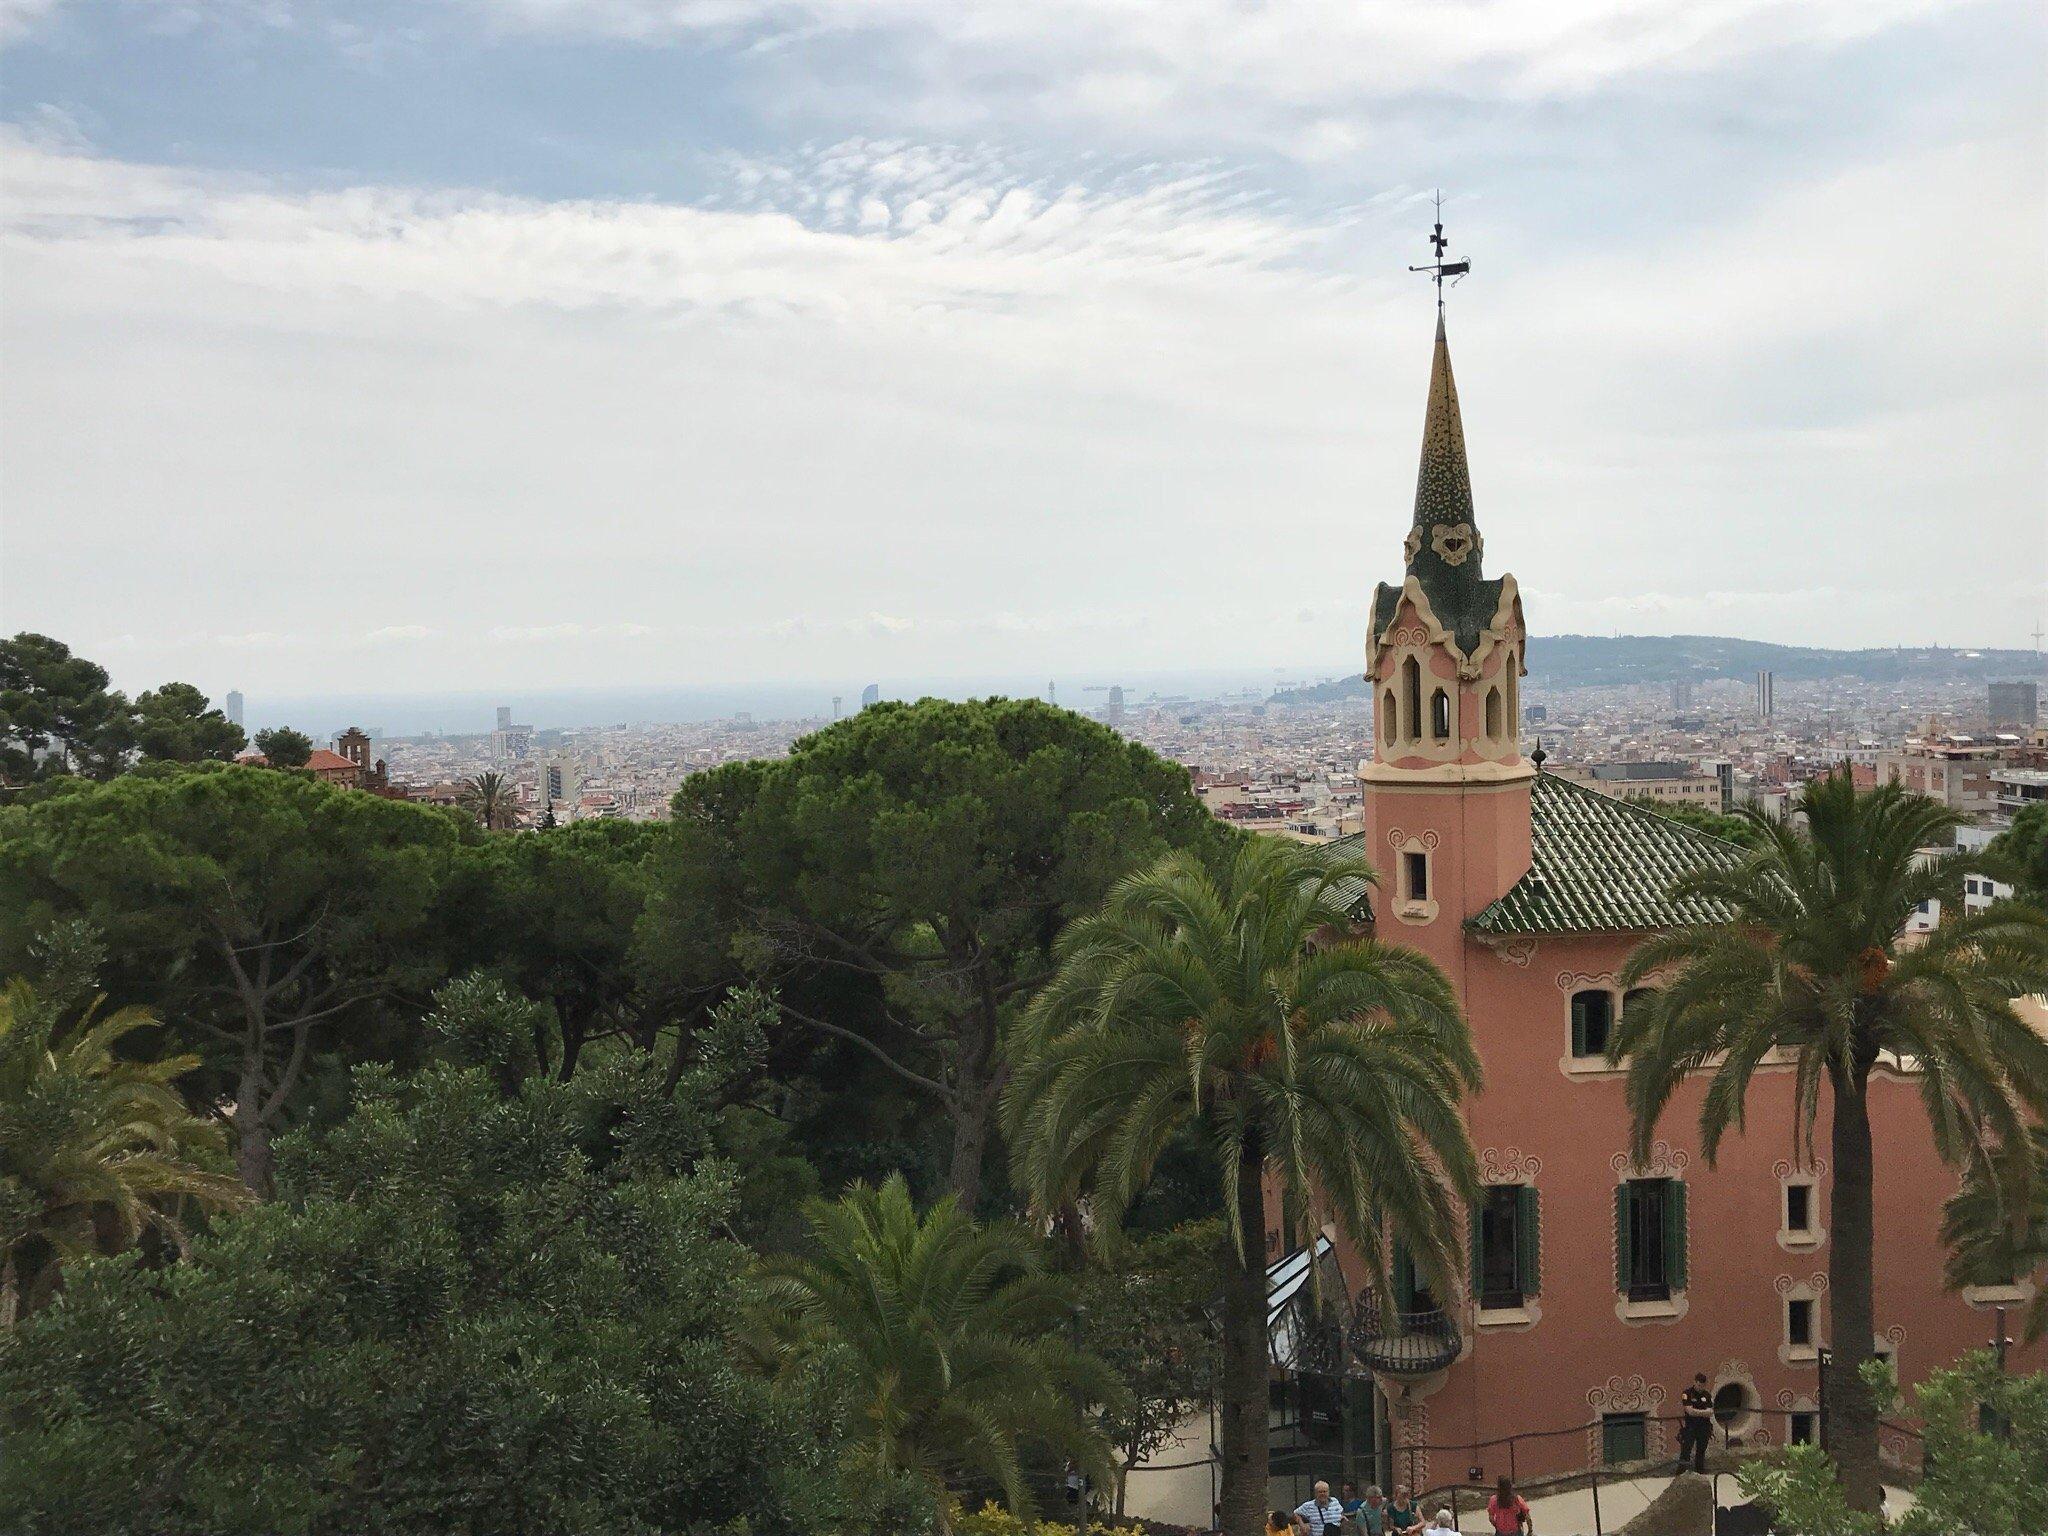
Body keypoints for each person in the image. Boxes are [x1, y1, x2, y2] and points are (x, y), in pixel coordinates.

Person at [1678, 1372, 1714, 1474]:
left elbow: (1710, 1412)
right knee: (1686, 1450)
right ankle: (1681, 1472)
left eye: (1703, 1386)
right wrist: (1703, 1412)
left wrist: (1697, 1412)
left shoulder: (1707, 1395)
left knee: (1701, 1450)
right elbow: (1689, 1411)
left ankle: (1700, 1471)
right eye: (1699, 1385)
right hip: (1691, 1427)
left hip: (1704, 1427)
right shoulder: (1687, 1393)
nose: (1700, 1387)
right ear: (1694, 1382)